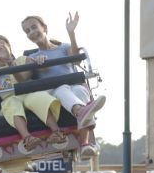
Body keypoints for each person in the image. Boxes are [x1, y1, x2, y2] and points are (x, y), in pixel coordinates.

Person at [21, 14, 106, 159]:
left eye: (34, 27)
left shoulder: (63, 48)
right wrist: (37, 63)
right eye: (27, 31)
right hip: (55, 92)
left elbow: (75, 57)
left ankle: (84, 143)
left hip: (74, 88)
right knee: (62, 89)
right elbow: (37, 73)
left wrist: (71, 33)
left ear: (45, 28)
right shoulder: (33, 57)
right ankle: (81, 113)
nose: (31, 32)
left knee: (81, 90)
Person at [0, 35, 64, 151]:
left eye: (1, 46)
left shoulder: (23, 60)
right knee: (11, 103)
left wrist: (9, 61)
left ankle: (57, 132)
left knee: (38, 96)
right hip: (11, 99)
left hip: (28, 93)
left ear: (9, 48)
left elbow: (22, 78)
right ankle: (28, 138)